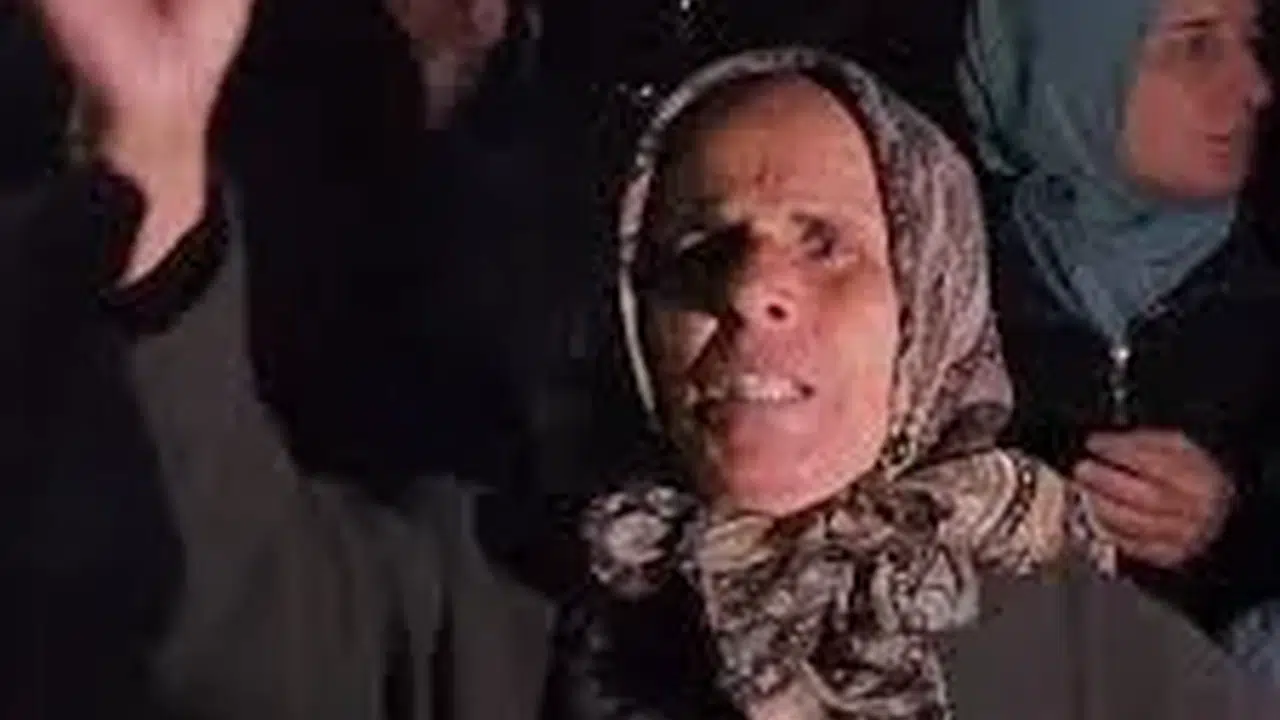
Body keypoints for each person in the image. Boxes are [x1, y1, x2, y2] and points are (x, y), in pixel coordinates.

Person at [539, 48, 1278, 719]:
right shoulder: (523, 619)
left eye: (825, 244)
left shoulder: (1115, 667)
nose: (749, 289)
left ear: (932, 297)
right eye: (704, 245)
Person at [959, 0, 1280, 639]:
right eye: (1196, 44)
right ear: (1070, 64)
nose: (1257, 87)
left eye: (1252, 42)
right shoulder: (927, 295)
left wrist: (1237, 532)